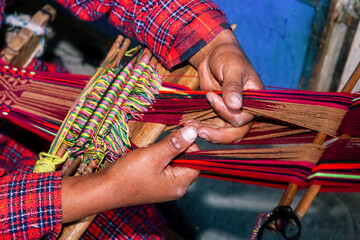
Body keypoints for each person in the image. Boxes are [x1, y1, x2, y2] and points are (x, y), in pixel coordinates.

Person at [0, 0, 264, 239]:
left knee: (152, 219)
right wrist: (105, 188)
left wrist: (208, 43)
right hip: (16, 199)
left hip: (19, 96)